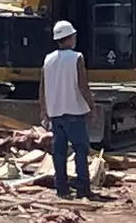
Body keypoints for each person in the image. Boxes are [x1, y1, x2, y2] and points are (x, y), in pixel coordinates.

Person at [39, 20, 97, 200]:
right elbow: (82, 85)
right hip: (74, 111)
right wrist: (91, 107)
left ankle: (62, 188)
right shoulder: (76, 58)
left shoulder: (48, 59)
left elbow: (42, 87)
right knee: (80, 151)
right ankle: (83, 188)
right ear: (70, 38)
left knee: (59, 153)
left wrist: (44, 110)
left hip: (56, 113)